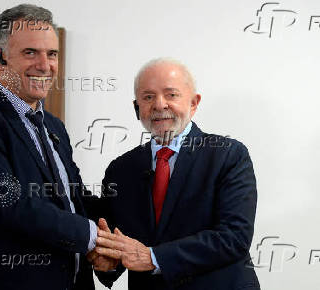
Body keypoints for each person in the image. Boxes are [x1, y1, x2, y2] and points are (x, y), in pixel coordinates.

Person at [0, 4, 115, 290]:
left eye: (52, 54)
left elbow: (73, 200)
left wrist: (120, 232)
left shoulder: (54, 126)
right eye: (30, 53)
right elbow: (5, 201)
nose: (45, 65)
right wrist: (93, 236)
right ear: (0, 58)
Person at [94, 58, 260, 289]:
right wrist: (108, 263)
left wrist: (153, 257)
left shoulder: (228, 155)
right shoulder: (120, 170)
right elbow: (120, 247)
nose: (160, 105)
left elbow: (234, 237)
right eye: (148, 97)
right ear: (136, 107)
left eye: (171, 95)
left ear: (194, 103)